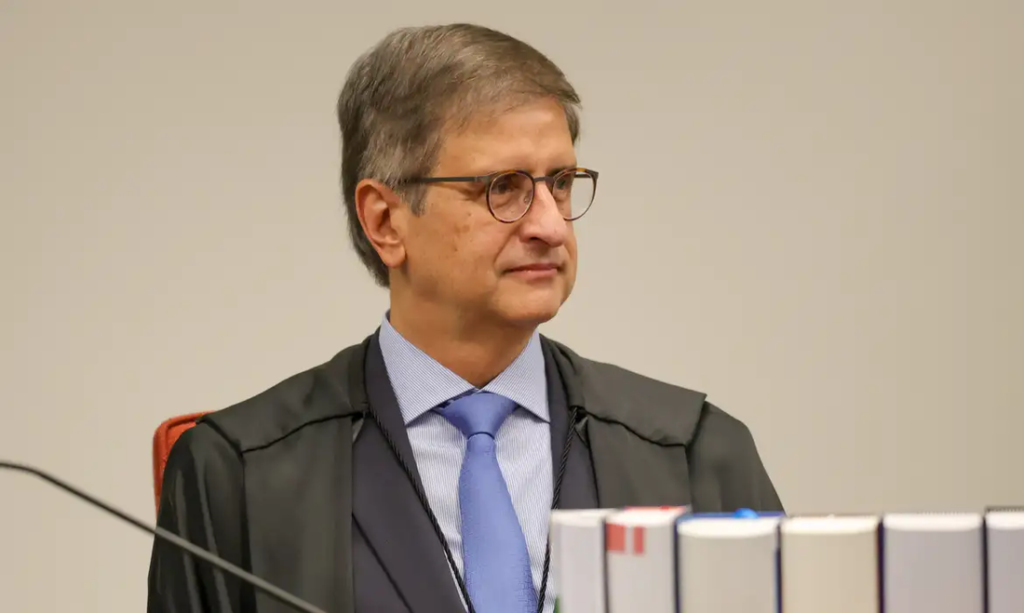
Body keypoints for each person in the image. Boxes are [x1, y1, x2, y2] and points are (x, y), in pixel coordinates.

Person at [147, 22, 783, 613]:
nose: (550, 225)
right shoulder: (240, 474)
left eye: (561, 182)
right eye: (503, 187)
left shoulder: (694, 452)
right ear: (385, 221)